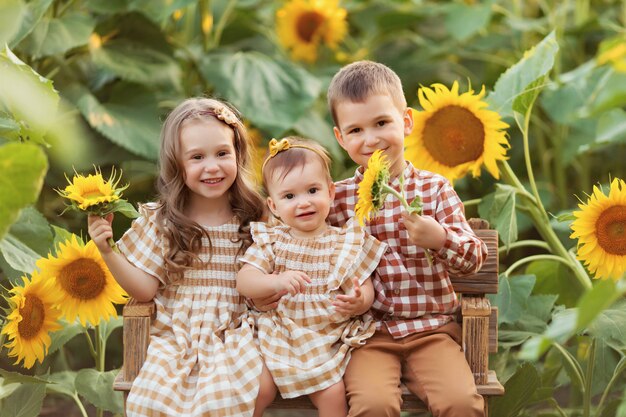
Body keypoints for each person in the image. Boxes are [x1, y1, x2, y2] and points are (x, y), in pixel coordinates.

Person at [87, 98, 276, 417]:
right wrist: (107, 251)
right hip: (178, 335)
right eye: (197, 157)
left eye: (222, 153)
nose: (212, 166)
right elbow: (145, 290)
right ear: (177, 164)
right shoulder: (164, 221)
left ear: (238, 154)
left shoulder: (255, 217)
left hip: (239, 331)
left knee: (234, 392)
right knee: (155, 400)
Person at [324, 61, 489, 417]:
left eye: (382, 123)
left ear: (407, 121)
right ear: (340, 138)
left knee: (461, 404)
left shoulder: (434, 190)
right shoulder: (336, 201)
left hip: (431, 331)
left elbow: (475, 258)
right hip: (367, 336)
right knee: (372, 405)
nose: (370, 139)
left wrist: (440, 238)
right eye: (355, 130)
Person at [236, 137, 386, 417]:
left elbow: (364, 288)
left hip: (325, 338)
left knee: (333, 395)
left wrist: (359, 300)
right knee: (257, 387)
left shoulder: (344, 242)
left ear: (330, 192)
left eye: (312, 190)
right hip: (278, 332)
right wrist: (274, 282)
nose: (303, 202)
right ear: (274, 206)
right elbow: (245, 281)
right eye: (289, 196)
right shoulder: (273, 241)